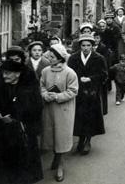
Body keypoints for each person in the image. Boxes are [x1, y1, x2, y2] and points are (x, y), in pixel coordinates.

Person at [0, 60, 43, 184]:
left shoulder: (28, 89)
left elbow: (36, 108)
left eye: (7, 73)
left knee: (25, 166)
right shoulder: (0, 87)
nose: (4, 76)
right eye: (3, 73)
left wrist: (15, 117)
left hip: (24, 133)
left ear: (17, 74)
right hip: (5, 132)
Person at [40, 44, 78, 182]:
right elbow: (42, 86)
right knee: (51, 134)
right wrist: (45, 95)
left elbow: (73, 91)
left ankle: (61, 164)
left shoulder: (70, 73)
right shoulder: (45, 71)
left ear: (60, 57)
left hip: (64, 110)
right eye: (49, 56)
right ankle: (56, 156)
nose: (49, 58)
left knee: (62, 136)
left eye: (52, 56)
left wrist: (57, 96)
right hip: (49, 109)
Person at [67, 34, 106, 155]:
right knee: (79, 117)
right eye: (83, 45)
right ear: (80, 46)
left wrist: (90, 79)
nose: (86, 48)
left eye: (88, 45)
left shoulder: (98, 58)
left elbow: (104, 75)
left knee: (90, 117)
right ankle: (80, 139)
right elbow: (69, 74)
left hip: (92, 92)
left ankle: (88, 140)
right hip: (77, 91)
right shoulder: (73, 58)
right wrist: (78, 80)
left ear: (92, 46)